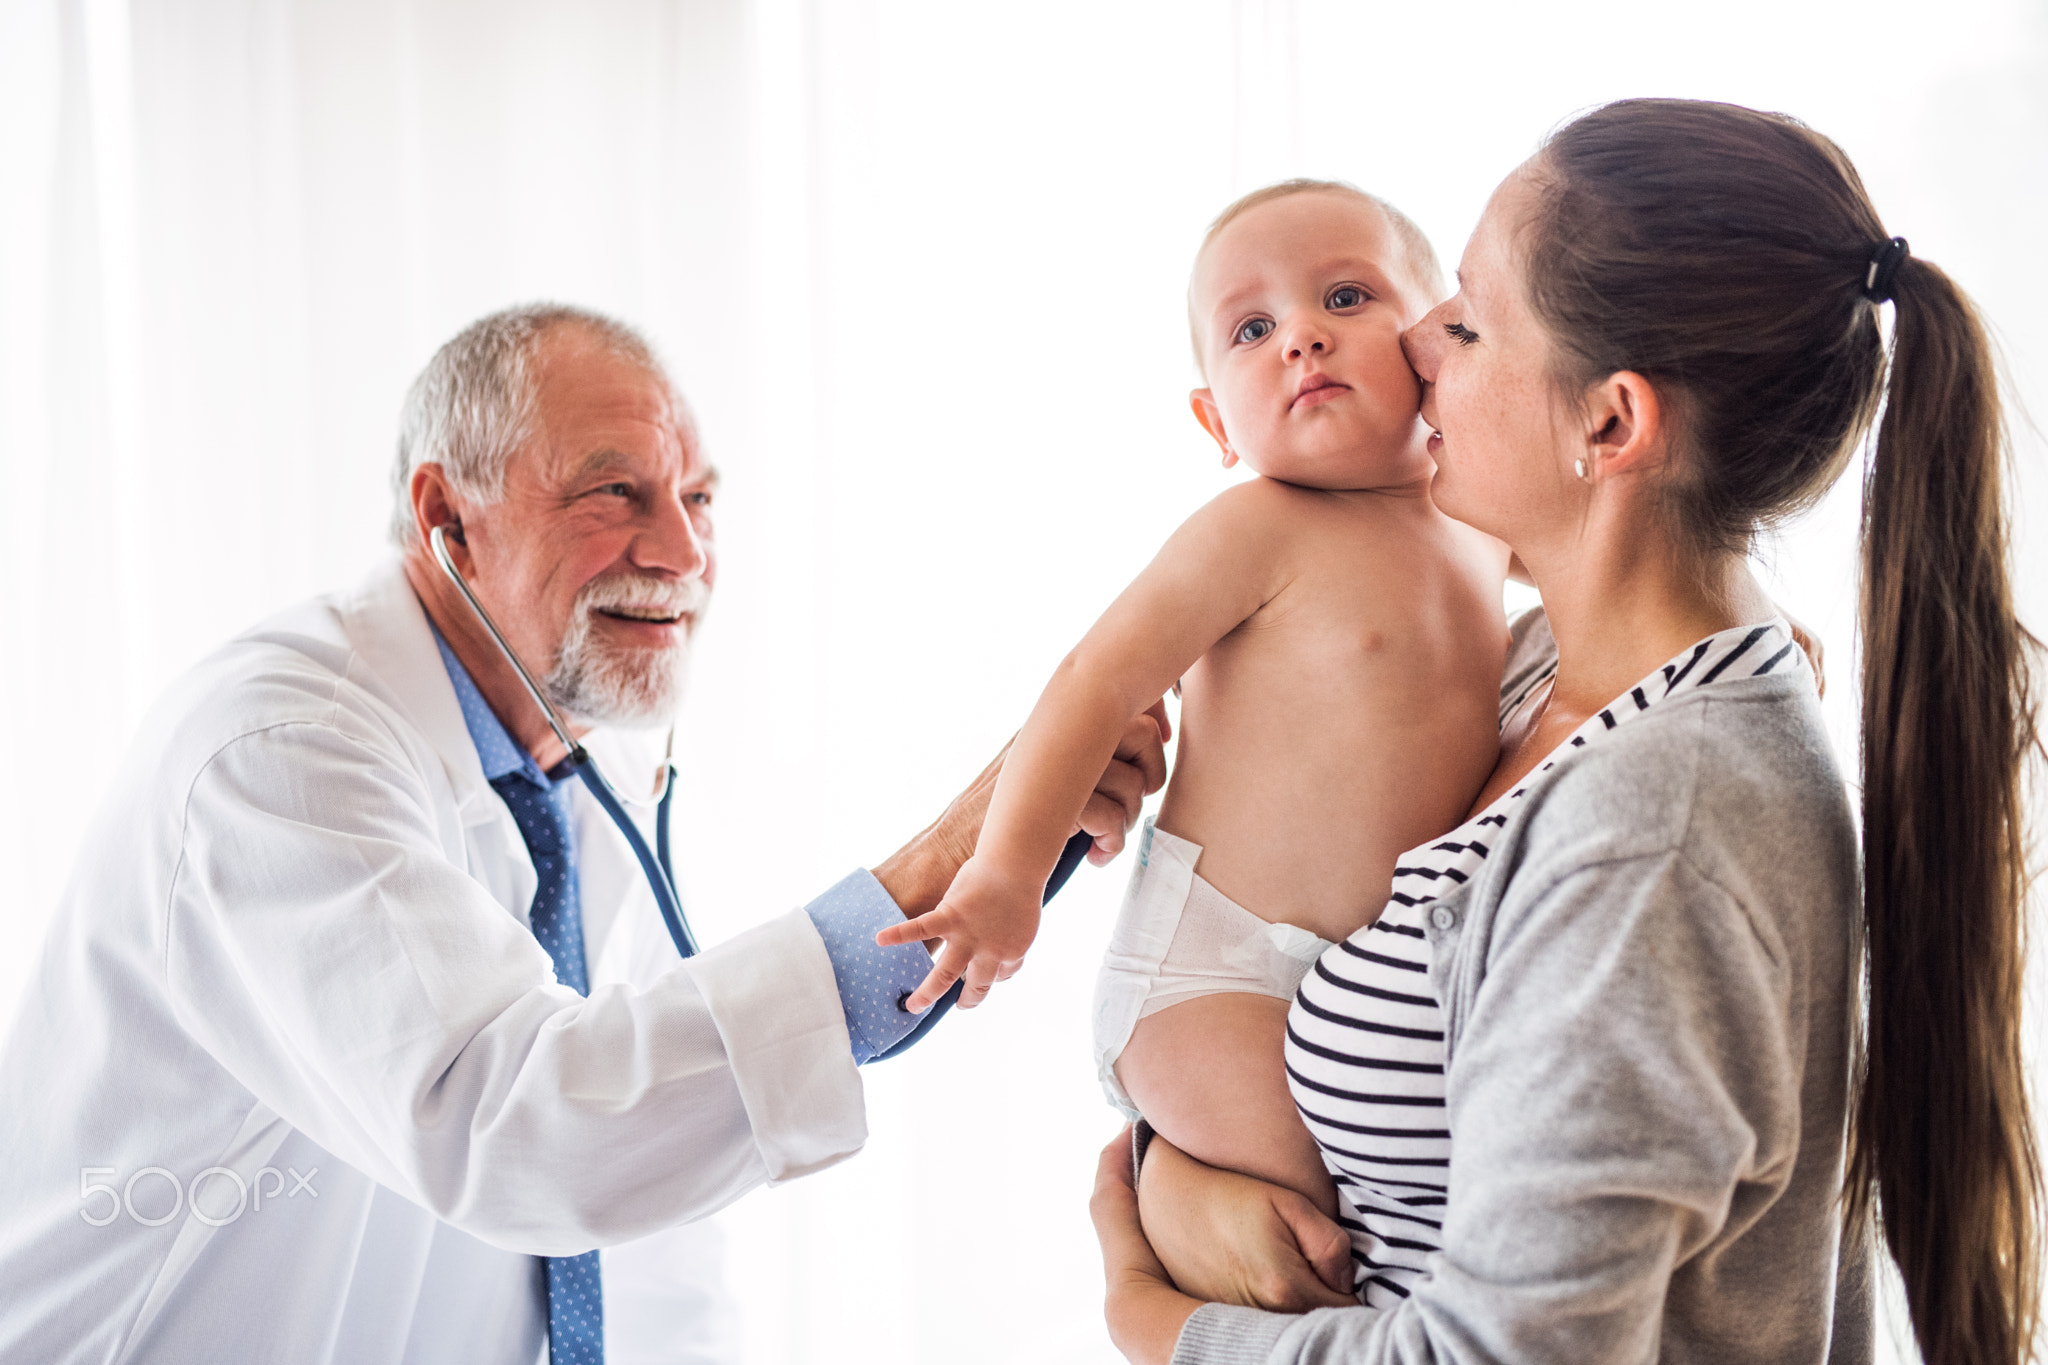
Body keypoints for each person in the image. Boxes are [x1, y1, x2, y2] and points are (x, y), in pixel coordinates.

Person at [0, 304, 1167, 1365]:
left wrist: (1004, 846)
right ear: (446, 514)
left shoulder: (571, 772)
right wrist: (967, 844)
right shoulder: (277, 752)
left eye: (697, 499)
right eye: (614, 495)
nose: (680, 554)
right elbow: (524, 1132)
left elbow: (649, 1213)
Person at [1090, 98, 2041, 1365]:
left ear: (1609, 424)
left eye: (1467, 320)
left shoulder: (1653, 837)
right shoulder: (1528, 689)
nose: (1414, 341)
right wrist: (1173, 1176)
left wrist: (1154, 1319)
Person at [878, 181, 1509, 1222]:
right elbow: (1091, 682)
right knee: (1363, 1226)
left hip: (1369, 980)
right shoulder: (1255, 528)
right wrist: (1005, 872)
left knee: (1415, 1201)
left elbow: (1606, 591)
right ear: (1216, 420)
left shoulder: (1483, 524)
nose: (1300, 338)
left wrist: (1715, 612)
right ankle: (1169, 1207)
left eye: (1345, 298)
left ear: (1436, 341)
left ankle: (1176, 1205)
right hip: (1216, 980)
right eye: (1252, 328)